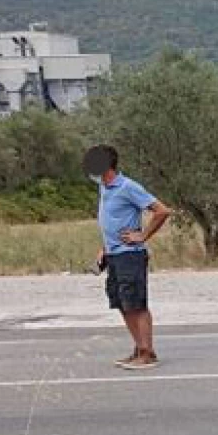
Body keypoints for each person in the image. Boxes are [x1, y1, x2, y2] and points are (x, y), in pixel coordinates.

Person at [86, 145, 172, 369]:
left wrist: (142, 236)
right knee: (123, 303)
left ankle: (147, 352)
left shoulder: (127, 187)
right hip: (113, 254)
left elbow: (162, 210)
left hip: (130, 255)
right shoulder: (104, 187)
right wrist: (104, 247)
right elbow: (112, 221)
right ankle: (138, 348)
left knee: (136, 303)